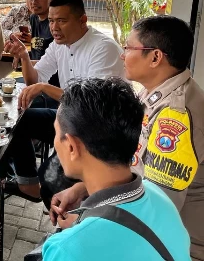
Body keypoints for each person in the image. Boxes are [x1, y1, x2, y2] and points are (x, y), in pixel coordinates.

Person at [50, 15, 204, 260]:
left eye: (129, 48)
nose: (122, 55)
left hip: (168, 247)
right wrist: (82, 189)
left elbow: (156, 206)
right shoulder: (155, 93)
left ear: (155, 57)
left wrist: (84, 222)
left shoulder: (175, 118)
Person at [0, 0, 124, 198]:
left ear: (82, 20)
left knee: (52, 182)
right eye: (51, 21)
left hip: (95, 131)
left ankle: (63, 214)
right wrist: (23, 56)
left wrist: (45, 88)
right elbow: (35, 78)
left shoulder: (103, 48)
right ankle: (28, 183)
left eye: (62, 21)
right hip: (68, 118)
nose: (54, 28)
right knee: (19, 120)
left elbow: (91, 105)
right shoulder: (58, 45)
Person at [41, 77, 191, 261]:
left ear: (72, 146)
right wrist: (85, 220)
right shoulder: (160, 199)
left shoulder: (67, 249)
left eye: (57, 133)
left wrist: (80, 234)